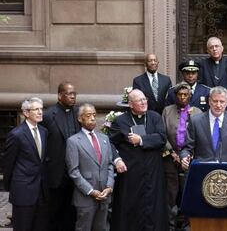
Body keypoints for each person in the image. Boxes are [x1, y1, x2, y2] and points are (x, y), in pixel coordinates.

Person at [109, 89, 168, 231]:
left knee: (153, 206)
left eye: (144, 99)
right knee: (131, 206)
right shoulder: (120, 121)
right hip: (131, 173)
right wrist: (117, 160)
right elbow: (109, 143)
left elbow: (161, 138)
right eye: (139, 100)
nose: (143, 102)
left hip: (153, 171)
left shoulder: (154, 117)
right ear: (130, 104)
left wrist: (141, 139)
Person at [65, 103, 114, 231]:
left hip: (104, 195)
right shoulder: (74, 141)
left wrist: (109, 186)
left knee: (102, 228)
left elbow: (109, 164)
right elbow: (73, 171)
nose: (93, 118)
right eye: (88, 115)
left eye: (94, 115)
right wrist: (90, 191)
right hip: (85, 197)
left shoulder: (104, 138)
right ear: (80, 119)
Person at [2, 97, 49, 231]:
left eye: (41, 109)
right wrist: (12, 187)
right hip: (23, 192)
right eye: (36, 109)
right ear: (26, 113)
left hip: (42, 191)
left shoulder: (44, 132)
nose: (40, 112)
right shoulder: (16, 134)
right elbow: (8, 164)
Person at [162, 83, 202, 230]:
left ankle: (187, 224)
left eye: (186, 95)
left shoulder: (197, 112)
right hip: (170, 159)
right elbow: (162, 134)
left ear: (190, 96)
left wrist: (189, 155)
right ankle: (170, 225)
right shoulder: (167, 111)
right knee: (170, 195)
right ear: (175, 96)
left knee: (189, 193)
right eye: (180, 95)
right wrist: (172, 153)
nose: (183, 97)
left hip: (190, 160)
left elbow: (200, 135)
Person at [180, 86, 227, 170]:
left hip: (226, 171)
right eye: (215, 101)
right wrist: (184, 158)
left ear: (226, 102)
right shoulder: (196, 121)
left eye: (222, 102)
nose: (218, 105)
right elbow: (187, 148)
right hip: (202, 170)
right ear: (209, 101)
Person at [40, 82, 79, 231]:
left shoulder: (79, 113)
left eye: (74, 93)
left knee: (72, 212)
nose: (73, 96)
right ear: (59, 95)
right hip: (56, 172)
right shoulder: (49, 115)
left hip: (75, 172)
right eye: (69, 93)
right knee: (54, 213)